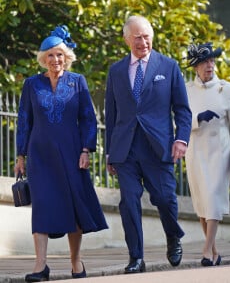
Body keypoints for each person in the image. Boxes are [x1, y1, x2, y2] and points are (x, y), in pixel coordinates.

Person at [14, 25, 108, 282]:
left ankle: (76, 261)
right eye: (50, 55)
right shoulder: (31, 84)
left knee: (74, 207)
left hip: (71, 152)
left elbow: (88, 119)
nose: (55, 60)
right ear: (43, 58)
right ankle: (40, 265)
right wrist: (20, 155)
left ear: (67, 57)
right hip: (40, 155)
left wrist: (87, 149)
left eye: (59, 55)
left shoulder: (78, 82)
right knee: (42, 207)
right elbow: (24, 120)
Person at [105, 15, 192, 274]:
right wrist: (110, 151)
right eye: (137, 37)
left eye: (146, 36)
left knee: (165, 199)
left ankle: (173, 236)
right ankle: (136, 258)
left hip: (159, 147)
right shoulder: (116, 71)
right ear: (126, 40)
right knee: (129, 202)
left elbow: (182, 109)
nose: (143, 42)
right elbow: (111, 114)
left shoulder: (169, 66)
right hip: (126, 149)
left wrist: (181, 139)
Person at [185, 42, 230, 267]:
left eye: (212, 61)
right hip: (195, 150)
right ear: (195, 67)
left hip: (220, 150)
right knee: (201, 201)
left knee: (214, 197)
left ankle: (206, 250)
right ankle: (214, 251)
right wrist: (197, 119)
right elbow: (180, 122)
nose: (210, 66)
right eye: (205, 62)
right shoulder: (185, 90)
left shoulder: (226, 89)